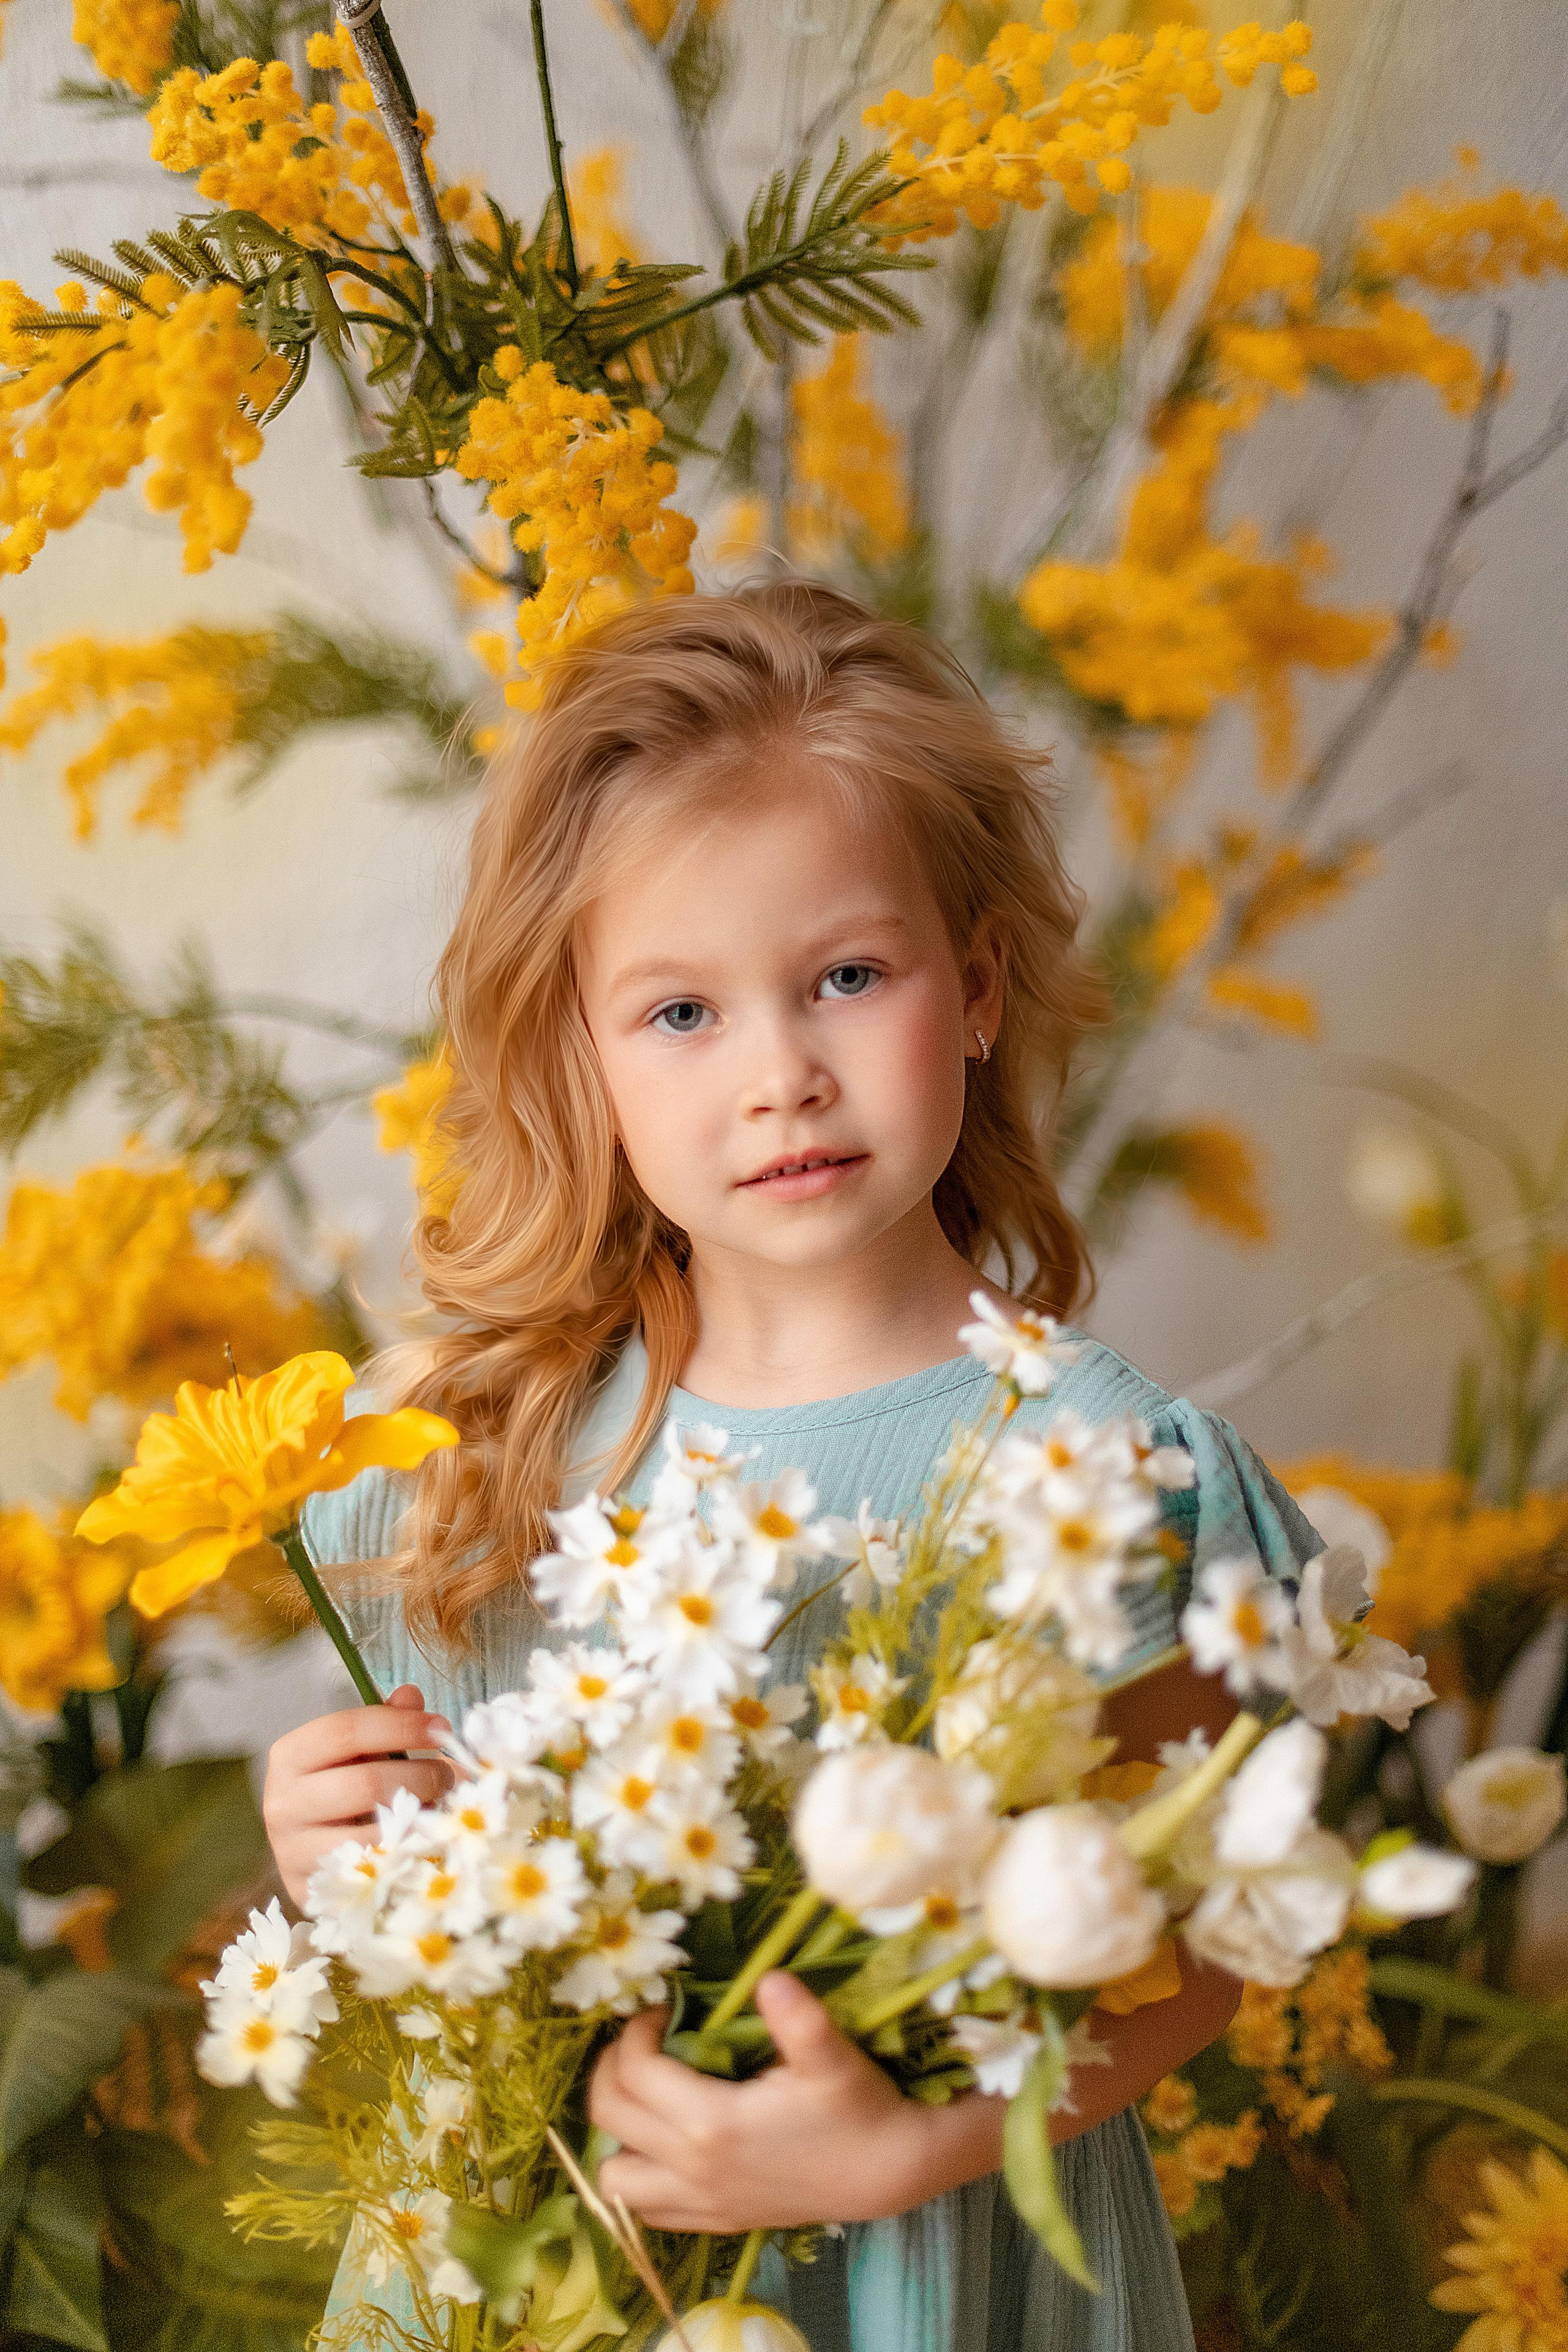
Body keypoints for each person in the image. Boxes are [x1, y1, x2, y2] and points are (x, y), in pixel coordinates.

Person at [263, 580, 1324, 2350]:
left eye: (846, 978)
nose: (782, 1079)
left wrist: (908, 2151)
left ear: (976, 989)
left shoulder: (1104, 1471)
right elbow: (443, 1896)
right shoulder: (478, 1456)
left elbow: (1202, 1945)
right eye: (682, 1013)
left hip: (933, 2268)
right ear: (584, 1057)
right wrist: (339, 1855)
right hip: (535, 2275)